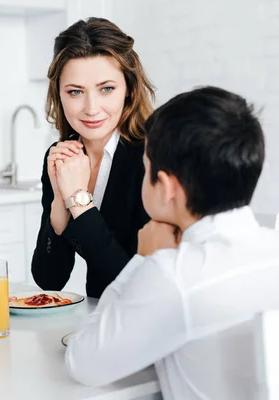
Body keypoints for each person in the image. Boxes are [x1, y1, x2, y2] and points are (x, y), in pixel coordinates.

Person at [65, 86, 279, 399]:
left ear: (166, 187)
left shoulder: (174, 275)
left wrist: (142, 261)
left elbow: (82, 362)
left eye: (146, 166)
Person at [31, 17, 154, 298]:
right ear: (59, 95)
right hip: (98, 318)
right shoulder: (62, 157)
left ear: (129, 90)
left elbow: (133, 285)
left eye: (106, 89)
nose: (91, 108)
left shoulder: (151, 156)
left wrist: (78, 199)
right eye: (75, 92)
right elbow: (49, 281)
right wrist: (59, 208)